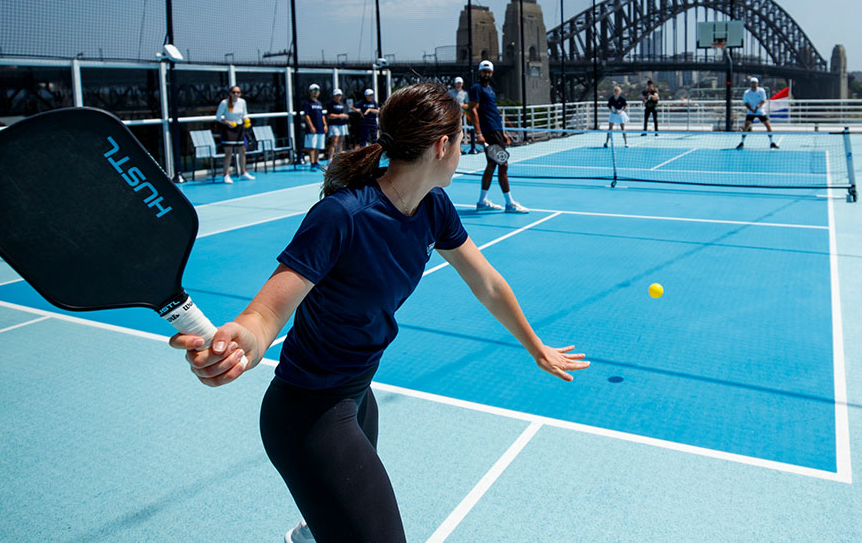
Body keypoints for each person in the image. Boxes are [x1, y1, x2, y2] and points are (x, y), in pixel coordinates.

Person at [169, 83, 588, 543]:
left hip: (356, 398)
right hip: (307, 414)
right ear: (441, 145)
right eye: (461, 138)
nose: (464, 149)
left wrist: (535, 346)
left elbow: (485, 282)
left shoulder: (433, 207)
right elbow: (267, 313)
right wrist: (243, 341)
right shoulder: (343, 216)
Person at [469, 60, 528, 213]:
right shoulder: (476, 88)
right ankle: (510, 204)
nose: (486, 74)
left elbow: (494, 113)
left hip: (496, 132)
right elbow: (473, 110)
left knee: (492, 165)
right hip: (489, 133)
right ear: (479, 72)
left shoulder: (491, 90)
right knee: (503, 165)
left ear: (492, 73)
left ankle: (482, 201)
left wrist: (503, 134)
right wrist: (479, 133)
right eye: (483, 71)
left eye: (488, 72)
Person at [216, 85, 255, 183]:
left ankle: (243, 172)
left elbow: (244, 113)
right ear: (230, 93)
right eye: (234, 92)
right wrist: (228, 123)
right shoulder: (224, 103)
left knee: (242, 150)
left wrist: (246, 120)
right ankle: (226, 175)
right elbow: (218, 117)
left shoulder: (242, 102)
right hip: (228, 129)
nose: (236, 94)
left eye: (238, 92)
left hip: (239, 128)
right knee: (228, 152)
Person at [735, 77, 779, 150]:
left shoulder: (761, 91)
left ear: (757, 84)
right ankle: (742, 142)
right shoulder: (747, 93)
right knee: (746, 126)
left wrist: (758, 106)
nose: (754, 84)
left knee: (768, 126)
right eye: (752, 83)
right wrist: (751, 110)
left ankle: (772, 142)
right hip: (750, 112)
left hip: (760, 112)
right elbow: (745, 103)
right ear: (750, 84)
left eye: (755, 83)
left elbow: (763, 100)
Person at [302, 83, 327, 171]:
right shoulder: (307, 103)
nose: (315, 92)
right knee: (312, 146)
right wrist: (311, 126)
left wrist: (325, 125)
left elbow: (322, 115)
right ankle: (312, 163)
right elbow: (306, 116)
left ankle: (316, 161)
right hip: (312, 129)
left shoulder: (319, 103)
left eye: (317, 91)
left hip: (320, 128)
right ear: (310, 92)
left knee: (318, 146)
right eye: (314, 91)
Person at [325, 88, 350, 164]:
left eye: (339, 95)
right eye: (337, 95)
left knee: (341, 141)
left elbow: (347, 115)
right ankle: (330, 158)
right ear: (334, 96)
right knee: (334, 141)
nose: (338, 97)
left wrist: (345, 116)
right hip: (334, 125)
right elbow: (329, 115)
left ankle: (339, 157)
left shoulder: (343, 104)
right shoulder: (331, 104)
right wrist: (339, 116)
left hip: (342, 125)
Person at [451, 76, 474, 153]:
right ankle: (454, 148)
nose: (458, 85)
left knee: (461, 132)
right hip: (452, 116)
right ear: (454, 84)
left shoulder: (465, 94)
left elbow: (468, 105)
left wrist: (461, 105)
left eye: (460, 83)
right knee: (453, 132)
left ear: (462, 84)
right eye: (457, 83)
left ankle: (459, 148)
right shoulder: (450, 93)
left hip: (461, 116)